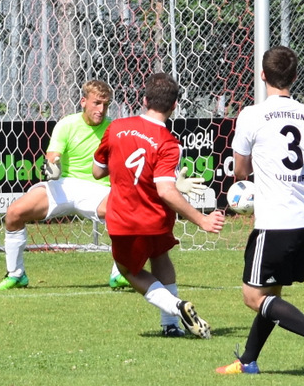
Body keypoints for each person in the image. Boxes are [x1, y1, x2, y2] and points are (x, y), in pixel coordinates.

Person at [216, 46, 304, 377]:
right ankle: (248, 361)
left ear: (262, 75)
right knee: (272, 293)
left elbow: (241, 172)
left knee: (252, 297)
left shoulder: (251, 116)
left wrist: (249, 182)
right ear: (294, 76)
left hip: (274, 223)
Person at [92, 72, 225, 339]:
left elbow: (97, 171)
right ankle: (170, 326)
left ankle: (176, 308)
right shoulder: (169, 142)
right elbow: (165, 189)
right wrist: (201, 218)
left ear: (144, 100)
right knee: (160, 256)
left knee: (128, 271)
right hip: (157, 219)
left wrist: (201, 220)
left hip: (125, 219)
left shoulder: (116, 127)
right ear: (174, 105)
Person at [0, 80, 128, 291]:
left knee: (125, 213)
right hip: (64, 185)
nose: (101, 109)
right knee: (15, 212)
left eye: (105, 105)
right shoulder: (67, 124)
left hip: (98, 189)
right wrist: (52, 166)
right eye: (96, 103)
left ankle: (120, 274)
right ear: (83, 102)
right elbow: (52, 156)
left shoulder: (115, 128)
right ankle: (16, 275)